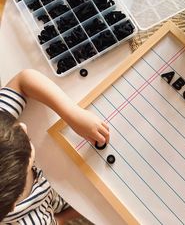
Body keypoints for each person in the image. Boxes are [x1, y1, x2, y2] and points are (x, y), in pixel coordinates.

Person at [0, 69, 110, 224]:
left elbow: (23, 79)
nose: (23, 127)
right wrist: (60, 219)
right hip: (60, 201)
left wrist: (72, 114)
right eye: (26, 141)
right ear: (13, 205)